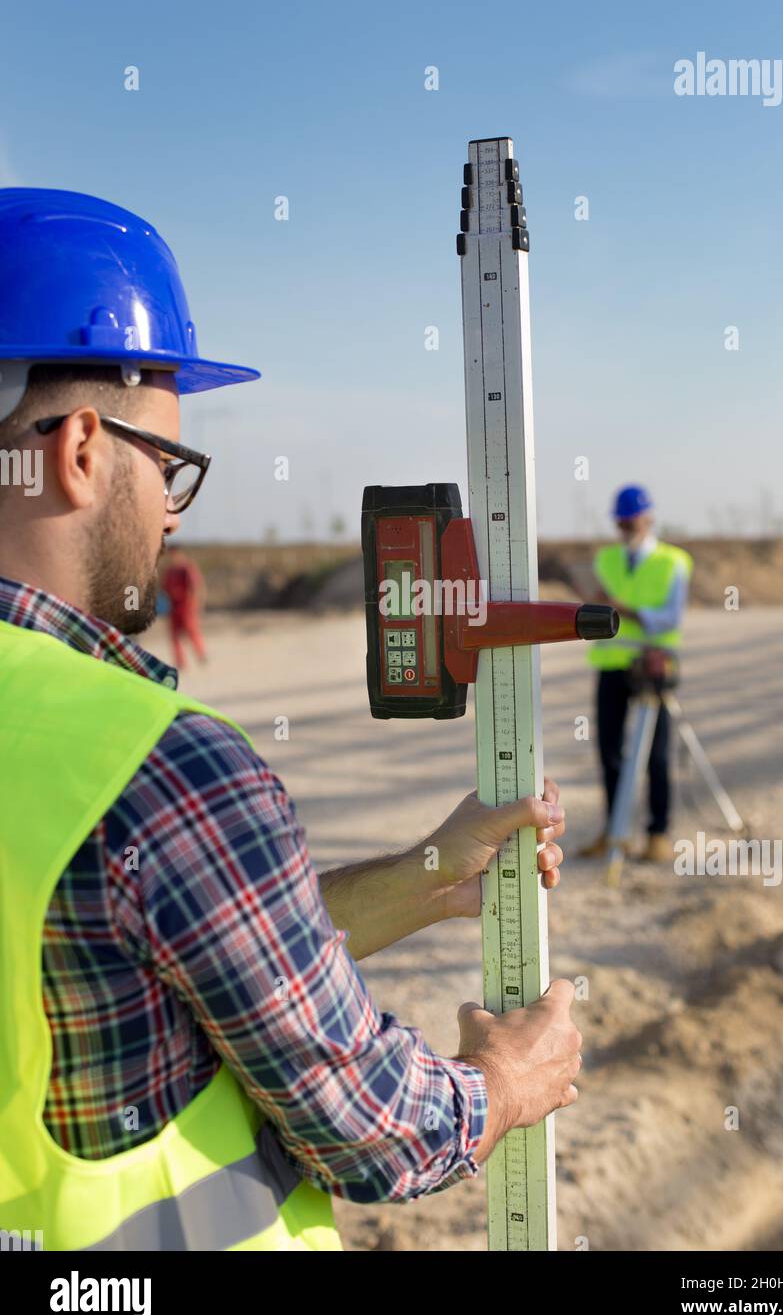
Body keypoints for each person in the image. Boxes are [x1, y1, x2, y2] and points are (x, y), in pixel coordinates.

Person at [0, 189, 581, 1252]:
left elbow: (142, 959)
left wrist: (417, 877)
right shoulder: (149, 768)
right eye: (166, 469)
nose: (170, 516)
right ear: (83, 448)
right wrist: (506, 1081)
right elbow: (371, 1130)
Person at [581, 485, 693, 863]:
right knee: (610, 752)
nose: (627, 527)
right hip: (611, 665)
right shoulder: (606, 559)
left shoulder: (673, 561)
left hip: (652, 665)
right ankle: (616, 832)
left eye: (632, 520)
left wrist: (621, 609)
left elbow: (669, 618)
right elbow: (596, 605)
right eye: (621, 522)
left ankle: (657, 834)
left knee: (656, 755)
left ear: (649, 519)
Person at [161, 543, 207, 668]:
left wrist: (196, 605)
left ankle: (201, 654)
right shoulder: (169, 571)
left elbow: (196, 586)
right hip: (173, 606)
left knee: (192, 631)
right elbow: (164, 589)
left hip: (187, 605)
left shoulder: (187, 568)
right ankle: (180, 662)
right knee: (174, 635)